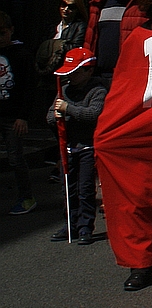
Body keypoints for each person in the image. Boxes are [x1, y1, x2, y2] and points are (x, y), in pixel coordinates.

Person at [47, 48, 105, 246]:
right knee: (68, 189)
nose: (72, 76)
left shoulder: (98, 91)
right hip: (68, 147)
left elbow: (93, 115)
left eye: (77, 71)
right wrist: (56, 117)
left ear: (89, 71)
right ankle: (70, 223)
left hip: (88, 147)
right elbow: (50, 115)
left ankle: (85, 226)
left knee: (86, 189)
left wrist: (68, 109)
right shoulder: (63, 90)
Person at [85, 0, 145, 82]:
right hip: (98, 75)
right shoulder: (99, 1)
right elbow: (90, 37)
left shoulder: (146, 2)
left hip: (130, 75)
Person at [1, 11, 38, 215]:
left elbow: (28, 87)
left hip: (12, 115)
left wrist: (23, 116)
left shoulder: (21, 54)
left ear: (11, 31)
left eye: (2, 33)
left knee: (15, 158)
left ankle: (27, 196)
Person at [35, 0, 86, 79]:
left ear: (77, 9)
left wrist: (57, 46)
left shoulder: (80, 26)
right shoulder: (52, 25)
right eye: (63, 4)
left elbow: (76, 47)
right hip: (47, 71)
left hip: (66, 71)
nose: (66, 9)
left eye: (71, 7)